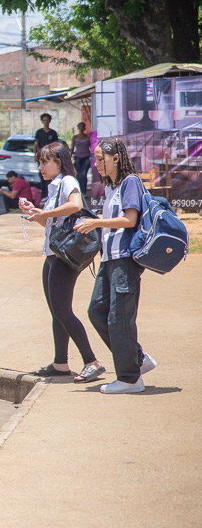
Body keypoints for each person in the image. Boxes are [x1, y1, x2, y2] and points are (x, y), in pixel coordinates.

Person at [73, 138, 158, 394]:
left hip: (124, 260)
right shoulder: (112, 186)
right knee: (97, 312)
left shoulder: (130, 181)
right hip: (109, 259)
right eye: (95, 159)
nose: (96, 164)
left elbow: (130, 220)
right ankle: (137, 359)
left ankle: (130, 378)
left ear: (116, 158)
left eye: (101, 159)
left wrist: (97, 223)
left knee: (119, 318)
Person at [21, 141, 107, 383]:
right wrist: (36, 213)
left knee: (62, 310)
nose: (40, 166)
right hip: (53, 254)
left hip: (63, 257)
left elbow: (76, 205)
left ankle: (92, 361)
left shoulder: (68, 181)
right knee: (56, 311)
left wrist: (45, 213)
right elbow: (50, 224)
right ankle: (60, 363)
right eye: (39, 162)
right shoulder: (54, 187)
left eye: (44, 161)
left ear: (59, 161)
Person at [72, 122, 92, 193]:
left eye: (82, 127)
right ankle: (78, 190)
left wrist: (91, 157)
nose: (81, 128)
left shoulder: (87, 137)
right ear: (78, 128)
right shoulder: (75, 137)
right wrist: (71, 157)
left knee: (84, 174)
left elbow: (91, 147)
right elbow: (72, 148)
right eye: (79, 127)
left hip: (86, 157)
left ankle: (84, 191)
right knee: (78, 174)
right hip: (77, 157)